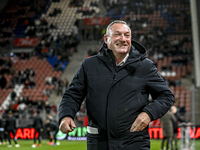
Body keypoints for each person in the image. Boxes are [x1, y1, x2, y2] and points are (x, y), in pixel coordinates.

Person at [58, 20, 174, 150]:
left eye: (127, 35)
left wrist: (148, 114)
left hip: (134, 142)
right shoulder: (89, 65)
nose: (123, 39)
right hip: (99, 143)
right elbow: (72, 94)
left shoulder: (145, 66)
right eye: (117, 35)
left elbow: (166, 96)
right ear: (106, 39)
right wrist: (66, 115)